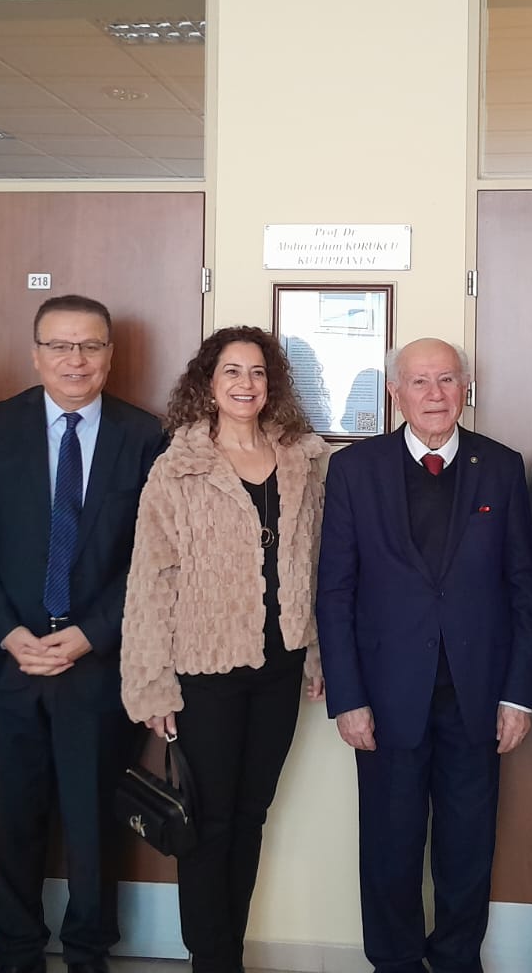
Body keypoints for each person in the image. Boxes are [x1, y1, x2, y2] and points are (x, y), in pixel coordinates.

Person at [0, 294, 165, 973]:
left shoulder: (144, 435)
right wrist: (9, 633)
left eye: (90, 346)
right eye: (60, 346)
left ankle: (87, 953)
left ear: (110, 355)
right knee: (10, 819)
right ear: (36, 354)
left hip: (96, 666)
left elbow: (154, 559)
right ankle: (16, 953)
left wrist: (91, 634)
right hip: (9, 664)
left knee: (93, 824)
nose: (76, 360)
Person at [316, 338, 532, 973]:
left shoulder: (502, 466)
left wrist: (519, 693)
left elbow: (524, 586)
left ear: (465, 387)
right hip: (385, 697)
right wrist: (348, 697)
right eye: (419, 381)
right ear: (396, 393)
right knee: (389, 846)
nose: (435, 394)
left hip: (479, 696)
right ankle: (393, 961)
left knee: (468, 846)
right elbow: (335, 591)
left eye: (447, 380)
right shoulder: (355, 469)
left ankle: (457, 959)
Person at [121, 325, 331, 973]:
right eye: (232, 372)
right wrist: (151, 684)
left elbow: (314, 565)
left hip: (279, 668)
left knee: (250, 815)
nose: (246, 383)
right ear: (208, 385)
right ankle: (210, 960)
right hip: (203, 671)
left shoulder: (302, 460)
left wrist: (317, 653)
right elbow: (151, 578)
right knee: (208, 823)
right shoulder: (178, 466)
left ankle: (227, 954)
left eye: (258, 372)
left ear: (273, 385)